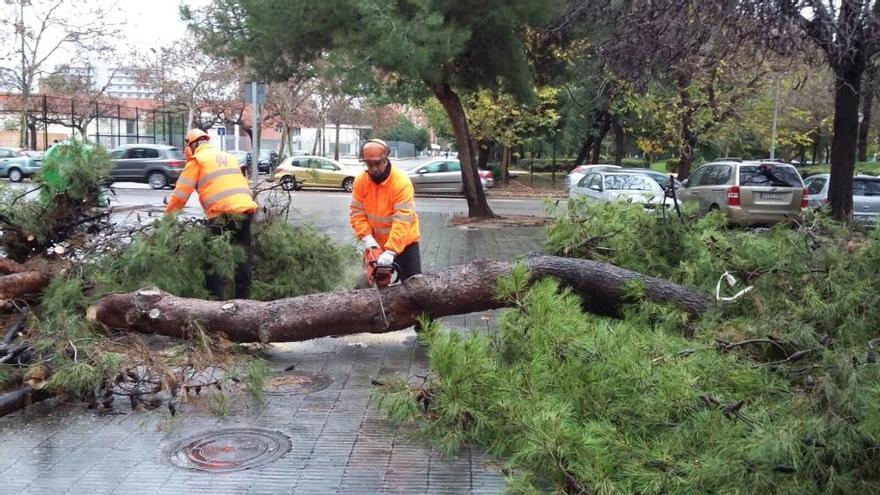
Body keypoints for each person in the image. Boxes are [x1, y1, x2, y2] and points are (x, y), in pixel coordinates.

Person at [165, 129, 258, 300]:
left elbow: (180, 195)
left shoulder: (197, 160)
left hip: (221, 214)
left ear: (192, 145)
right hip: (245, 210)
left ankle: (216, 302)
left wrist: (167, 218)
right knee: (242, 256)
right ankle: (244, 300)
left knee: (211, 259)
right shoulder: (229, 157)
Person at [350, 139, 421, 284]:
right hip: (376, 244)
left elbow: (402, 220)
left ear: (386, 159)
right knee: (378, 287)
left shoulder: (401, 183)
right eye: (370, 164)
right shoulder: (360, 182)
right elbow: (357, 213)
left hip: (405, 243)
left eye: (378, 163)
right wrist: (367, 238)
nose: (374, 168)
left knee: (414, 286)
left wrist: (391, 250)